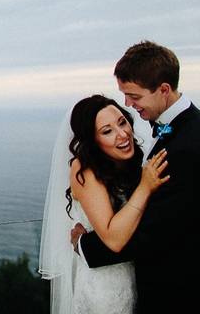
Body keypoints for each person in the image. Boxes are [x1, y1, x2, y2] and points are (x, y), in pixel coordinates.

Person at [73, 41, 200, 314]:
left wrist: (83, 244)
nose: (127, 104)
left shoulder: (189, 147)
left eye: (134, 96)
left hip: (186, 296)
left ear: (163, 90)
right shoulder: (185, 130)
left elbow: (153, 232)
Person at [39, 95, 169, 314]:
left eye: (122, 122)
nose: (122, 134)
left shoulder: (129, 163)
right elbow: (114, 239)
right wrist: (146, 187)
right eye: (107, 131)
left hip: (138, 277)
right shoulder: (85, 171)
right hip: (106, 287)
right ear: (93, 140)